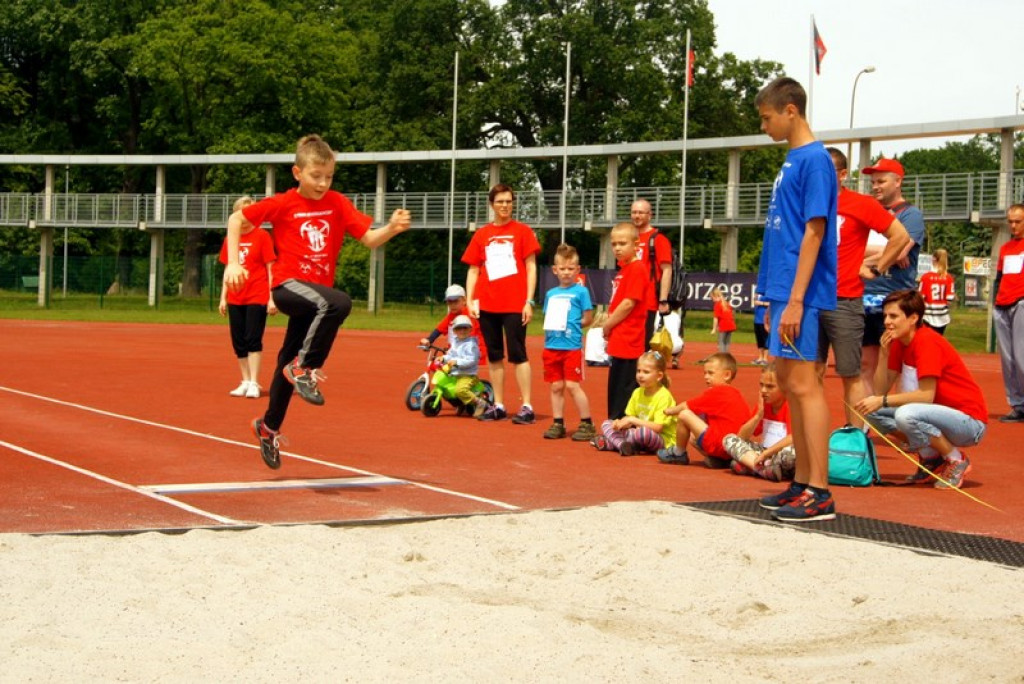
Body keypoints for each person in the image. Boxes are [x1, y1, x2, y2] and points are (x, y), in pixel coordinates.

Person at [223, 134, 412, 469]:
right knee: (338, 303)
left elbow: (368, 239)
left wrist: (392, 229)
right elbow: (237, 220)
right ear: (298, 173)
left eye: (329, 176)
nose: (323, 183)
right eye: (316, 176)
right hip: (287, 286)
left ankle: (268, 427)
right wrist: (235, 263)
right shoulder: (283, 203)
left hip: (314, 297)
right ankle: (305, 368)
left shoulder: (337, 203)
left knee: (286, 361)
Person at [752, 77, 838, 522]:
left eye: (767, 118)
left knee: (806, 387)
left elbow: (815, 229)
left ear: (791, 110)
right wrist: (771, 295)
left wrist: (797, 298)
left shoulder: (815, 160)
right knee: (790, 385)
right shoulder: (792, 160)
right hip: (782, 289)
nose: (763, 126)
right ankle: (802, 482)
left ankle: (820, 492)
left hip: (800, 293)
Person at [855, 289, 987, 488]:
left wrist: (881, 400)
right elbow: (881, 390)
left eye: (894, 316)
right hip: (937, 415)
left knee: (906, 414)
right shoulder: (900, 343)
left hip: (969, 422)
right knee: (872, 412)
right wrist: (883, 354)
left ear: (913, 318)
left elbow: (926, 396)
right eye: (885, 316)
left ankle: (956, 459)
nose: (887, 322)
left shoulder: (927, 342)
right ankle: (931, 458)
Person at [818, 147, 910, 427]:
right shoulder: (806, 203)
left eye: (826, 173)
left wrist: (878, 267)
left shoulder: (862, 204)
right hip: (810, 301)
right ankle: (808, 443)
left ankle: (856, 442)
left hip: (845, 300)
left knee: (851, 373)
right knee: (807, 374)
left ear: (843, 175)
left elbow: (899, 236)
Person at [462, 184, 541, 424]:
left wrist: (528, 301)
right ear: (492, 204)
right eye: (500, 202)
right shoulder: (482, 234)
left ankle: (526, 405)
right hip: (487, 304)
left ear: (513, 203)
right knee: (494, 355)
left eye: (508, 201)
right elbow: (473, 270)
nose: (504, 205)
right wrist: (470, 301)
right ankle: (498, 404)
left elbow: (531, 267)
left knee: (518, 354)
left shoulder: (523, 231)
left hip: (515, 304)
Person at [859, 156, 927, 397]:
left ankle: (902, 423)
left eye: (881, 181)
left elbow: (902, 249)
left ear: (898, 181)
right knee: (866, 365)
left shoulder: (911, 215)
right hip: (865, 298)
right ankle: (865, 424)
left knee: (898, 367)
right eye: (873, 182)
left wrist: (892, 248)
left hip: (896, 300)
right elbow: (856, 247)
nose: (876, 186)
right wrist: (889, 248)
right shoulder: (870, 213)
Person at [218, 195, 277, 399]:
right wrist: (223, 297)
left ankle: (254, 381)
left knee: (253, 339)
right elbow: (228, 268)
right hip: (236, 295)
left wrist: (271, 297)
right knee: (239, 342)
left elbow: (271, 268)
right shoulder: (230, 239)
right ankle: (244, 380)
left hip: (257, 295)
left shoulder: (262, 236)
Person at [541, 244, 596, 441]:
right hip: (552, 346)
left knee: (572, 385)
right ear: (555, 270)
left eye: (570, 268)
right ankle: (558, 423)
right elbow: (548, 318)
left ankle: (587, 422)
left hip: (571, 346)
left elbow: (588, 318)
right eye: (562, 269)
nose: (566, 273)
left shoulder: (581, 292)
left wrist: (574, 325)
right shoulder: (550, 294)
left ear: (578, 270)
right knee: (556, 386)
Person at [660, 352, 748, 467]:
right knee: (694, 432)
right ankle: (719, 460)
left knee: (684, 415)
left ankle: (679, 453)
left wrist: (669, 411)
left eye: (710, 373)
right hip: (733, 448)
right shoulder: (737, 395)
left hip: (719, 444)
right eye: (705, 373)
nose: (706, 377)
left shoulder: (715, 392)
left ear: (727, 375)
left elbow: (687, 406)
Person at [601, 222, 651, 420]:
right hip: (619, 336)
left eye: (622, 243)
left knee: (625, 385)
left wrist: (608, 324)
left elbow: (629, 303)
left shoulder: (637, 269)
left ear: (635, 245)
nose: (617, 248)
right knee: (616, 383)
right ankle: (614, 420)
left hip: (630, 336)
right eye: (614, 244)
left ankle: (621, 423)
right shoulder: (623, 270)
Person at [591, 350, 677, 457]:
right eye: (638, 371)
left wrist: (632, 420)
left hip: (661, 439)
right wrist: (620, 424)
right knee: (607, 423)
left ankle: (612, 443)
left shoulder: (664, 396)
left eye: (646, 372)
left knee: (642, 433)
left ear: (659, 376)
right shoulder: (637, 392)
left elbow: (658, 428)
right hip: (637, 435)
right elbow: (629, 418)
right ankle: (623, 445)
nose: (640, 375)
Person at [723, 362, 796, 482]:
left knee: (792, 454)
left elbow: (793, 437)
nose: (763, 390)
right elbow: (741, 436)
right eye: (761, 385)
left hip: (779, 454)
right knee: (729, 439)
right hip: (764, 453)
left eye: (770, 386)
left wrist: (766, 454)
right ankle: (763, 469)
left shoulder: (791, 405)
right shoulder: (764, 404)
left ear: (784, 387)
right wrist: (758, 416)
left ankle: (753, 466)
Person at [993, 203, 1024, 423]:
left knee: (1022, 358)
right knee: (1008, 359)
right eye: (1010, 221)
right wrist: (995, 302)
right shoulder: (1005, 248)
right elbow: (999, 278)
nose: (1013, 225)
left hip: (1020, 304)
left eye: (1018, 221)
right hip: (1001, 306)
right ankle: (1017, 405)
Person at [630, 199, 674, 346]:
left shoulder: (658, 239)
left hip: (647, 300)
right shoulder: (629, 238)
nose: (637, 216)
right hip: (628, 298)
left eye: (641, 212)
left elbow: (667, 270)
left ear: (650, 215)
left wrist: (663, 300)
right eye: (634, 212)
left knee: (642, 344)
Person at [419, 283, 486, 360]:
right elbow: (439, 329)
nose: (452, 305)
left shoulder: (469, 315)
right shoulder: (451, 316)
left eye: (456, 301)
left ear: (464, 300)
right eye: (449, 302)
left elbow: (470, 337)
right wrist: (429, 340)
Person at [441, 315, 490, 418]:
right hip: (456, 374)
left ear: (470, 329)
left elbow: (471, 360)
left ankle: (480, 403)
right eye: (459, 328)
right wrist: (444, 358)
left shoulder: (471, 345)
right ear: (454, 331)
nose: (462, 330)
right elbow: (451, 354)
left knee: (460, 390)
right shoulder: (456, 342)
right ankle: (461, 403)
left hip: (467, 375)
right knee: (447, 389)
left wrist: (456, 362)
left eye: (465, 328)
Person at [919, 248, 956, 335]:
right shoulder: (948, 278)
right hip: (943, 316)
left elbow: (921, 297)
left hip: (928, 316)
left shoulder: (926, 277)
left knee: (927, 341)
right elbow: (950, 298)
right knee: (938, 340)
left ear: (934, 259)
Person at [710, 286, 736, 354]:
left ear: (715, 296)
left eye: (712, 298)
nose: (712, 300)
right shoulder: (726, 303)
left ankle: (722, 357)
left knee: (721, 342)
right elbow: (732, 313)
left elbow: (715, 318)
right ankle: (727, 356)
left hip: (724, 325)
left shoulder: (717, 305)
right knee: (727, 342)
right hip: (731, 325)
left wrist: (714, 329)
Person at [752, 290, 770, 366]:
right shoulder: (758, 293)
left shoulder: (769, 293)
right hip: (757, 319)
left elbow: (771, 304)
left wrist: (761, 303)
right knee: (759, 338)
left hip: (765, 319)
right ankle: (760, 357)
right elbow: (754, 301)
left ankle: (765, 358)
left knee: (765, 338)